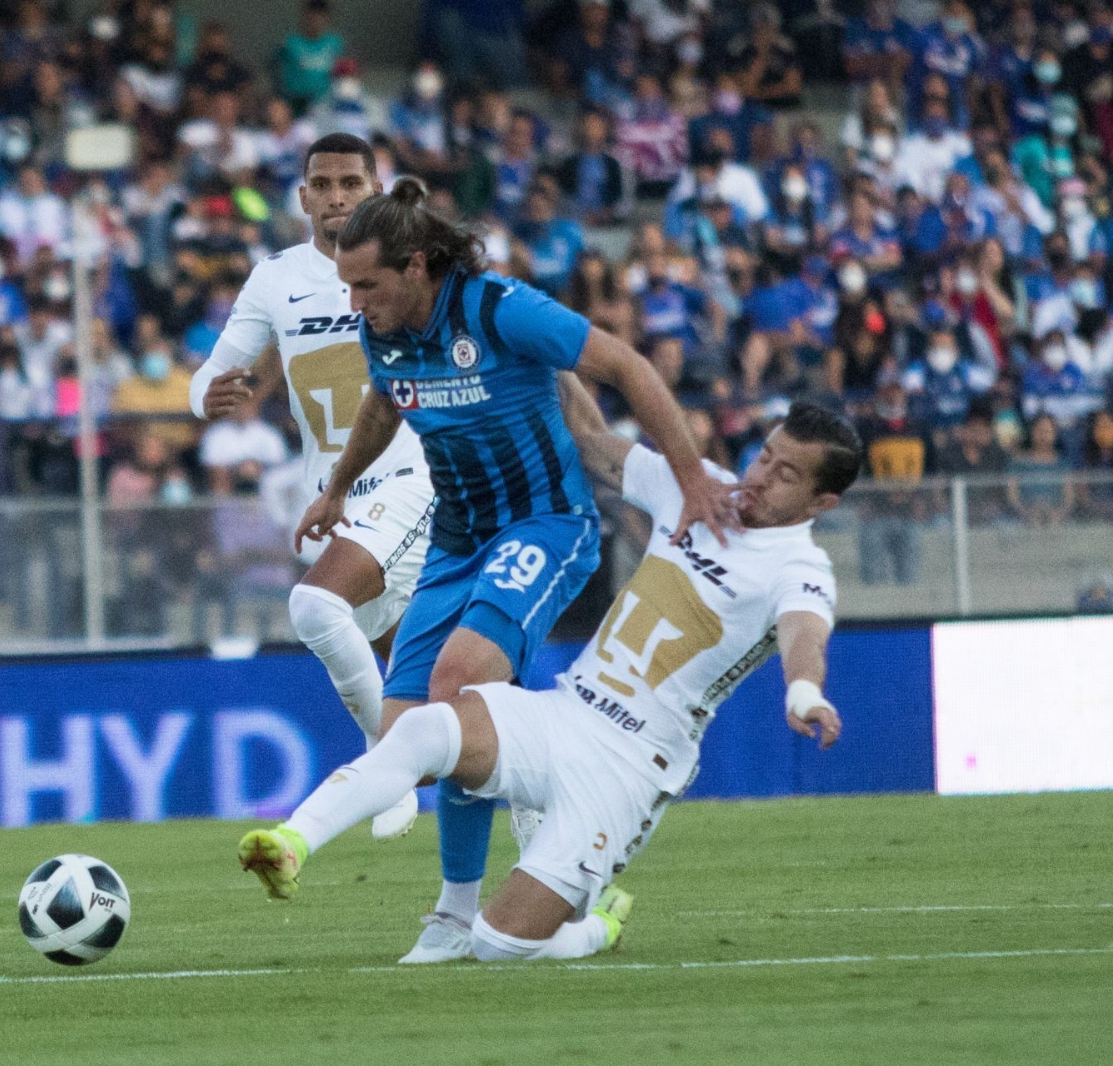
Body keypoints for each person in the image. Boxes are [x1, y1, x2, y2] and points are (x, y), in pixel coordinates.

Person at [242, 389, 854, 962]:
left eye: (786, 474)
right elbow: (590, 439)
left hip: (629, 769)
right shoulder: (700, 488)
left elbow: (804, 633)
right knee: (425, 727)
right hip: (567, 713)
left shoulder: (800, 569)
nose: (760, 477)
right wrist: (552, 346)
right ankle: (293, 842)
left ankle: (598, 926)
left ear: (821, 504)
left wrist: (804, 691)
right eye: (765, 456)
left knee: (496, 945)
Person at [296, 177, 733, 962]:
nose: (354, 303)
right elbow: (384, 402)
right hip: (456, 541)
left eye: (366, 285)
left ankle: (455, 913)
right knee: (410, 739)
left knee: (455, 690)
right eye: (346, 287)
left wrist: (691, 477)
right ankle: (552, 784)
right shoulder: (382, 329)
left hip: (545, 524)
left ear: (417, 266)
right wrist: (337, 487)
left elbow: (627, 365)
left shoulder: (501, 308)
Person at [189, 134, 436, 842]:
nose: (336, 197)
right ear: (303, 198)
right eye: (322, 185)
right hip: (335, 501)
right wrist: (204, 396)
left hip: (415, 478)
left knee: (315, 605)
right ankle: (546, 808)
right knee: (439, 690)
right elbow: (209, 375)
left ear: (375, 191)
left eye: (350, 183)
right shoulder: (276, 278)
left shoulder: (415, 266)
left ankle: (385, 769)